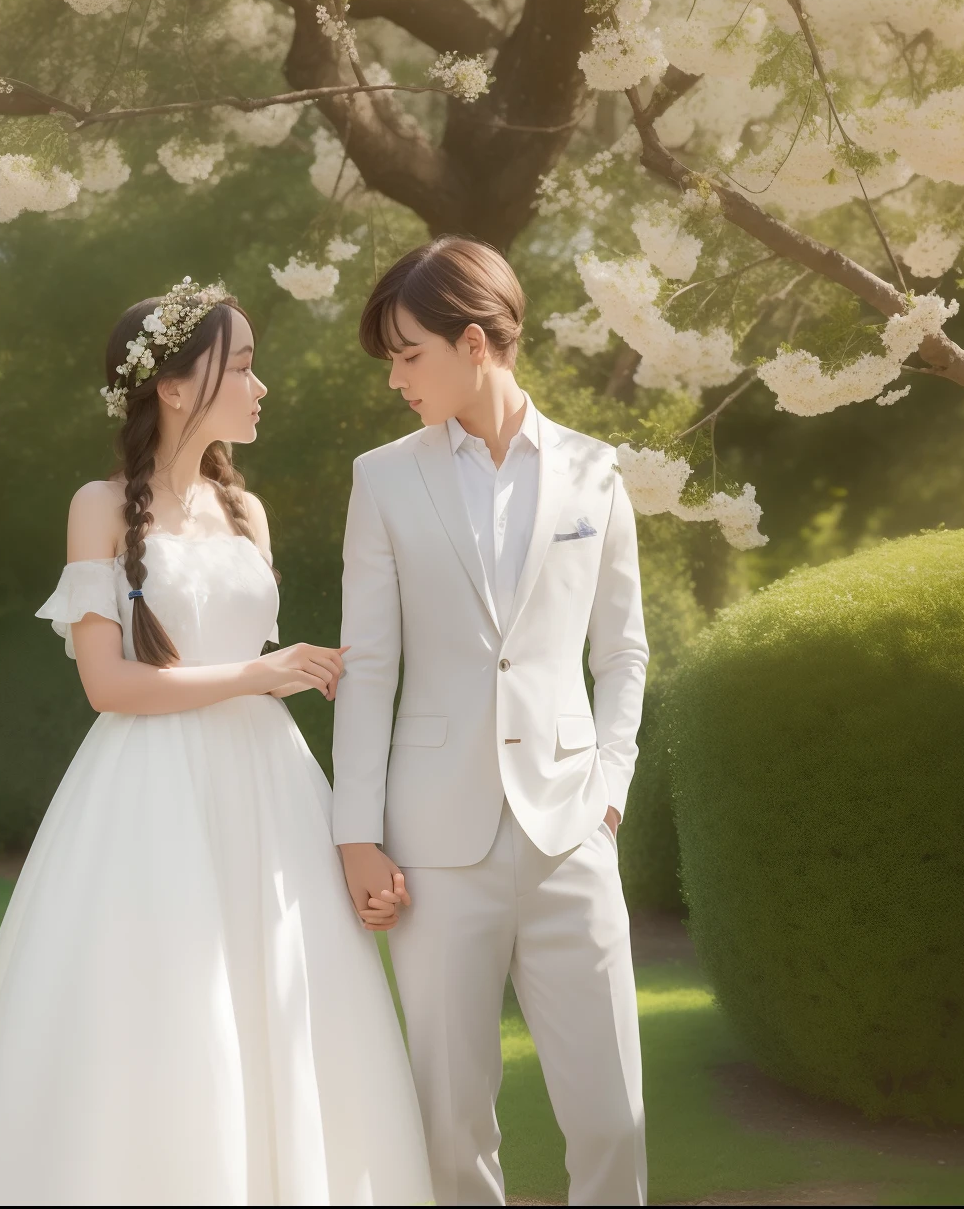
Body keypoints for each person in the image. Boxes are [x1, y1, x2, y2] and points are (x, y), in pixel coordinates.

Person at [0, 279, 433, 1205]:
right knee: (166, 1011)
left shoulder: (248, 512)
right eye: (241, 365)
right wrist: (258, 675)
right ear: (175, 386)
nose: (260, 385)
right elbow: (109, 687)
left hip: (270, 790)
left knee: (283, 1005)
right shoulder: (101, 507)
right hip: (152, 792)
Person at [333, 237, 652, 1206]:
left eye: (407, 353)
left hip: (569, 836)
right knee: (449, 1121)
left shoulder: (597, 475)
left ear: (474, 343)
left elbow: (622, 652)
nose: (394, 378)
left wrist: (607, 794)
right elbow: (369, 663)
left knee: (611, 1119)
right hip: (434, 848)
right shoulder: (382, 478)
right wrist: (356, 832)